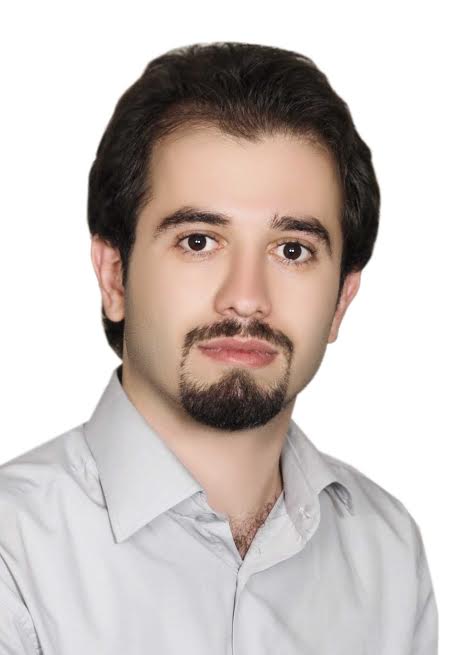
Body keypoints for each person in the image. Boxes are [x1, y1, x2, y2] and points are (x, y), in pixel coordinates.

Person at [0, 41, 438, 654]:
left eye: (292, 250)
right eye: (199, 241)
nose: (246, 298)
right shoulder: (14, 554)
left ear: (341, 299)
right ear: (115, 276)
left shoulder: (387, 552)